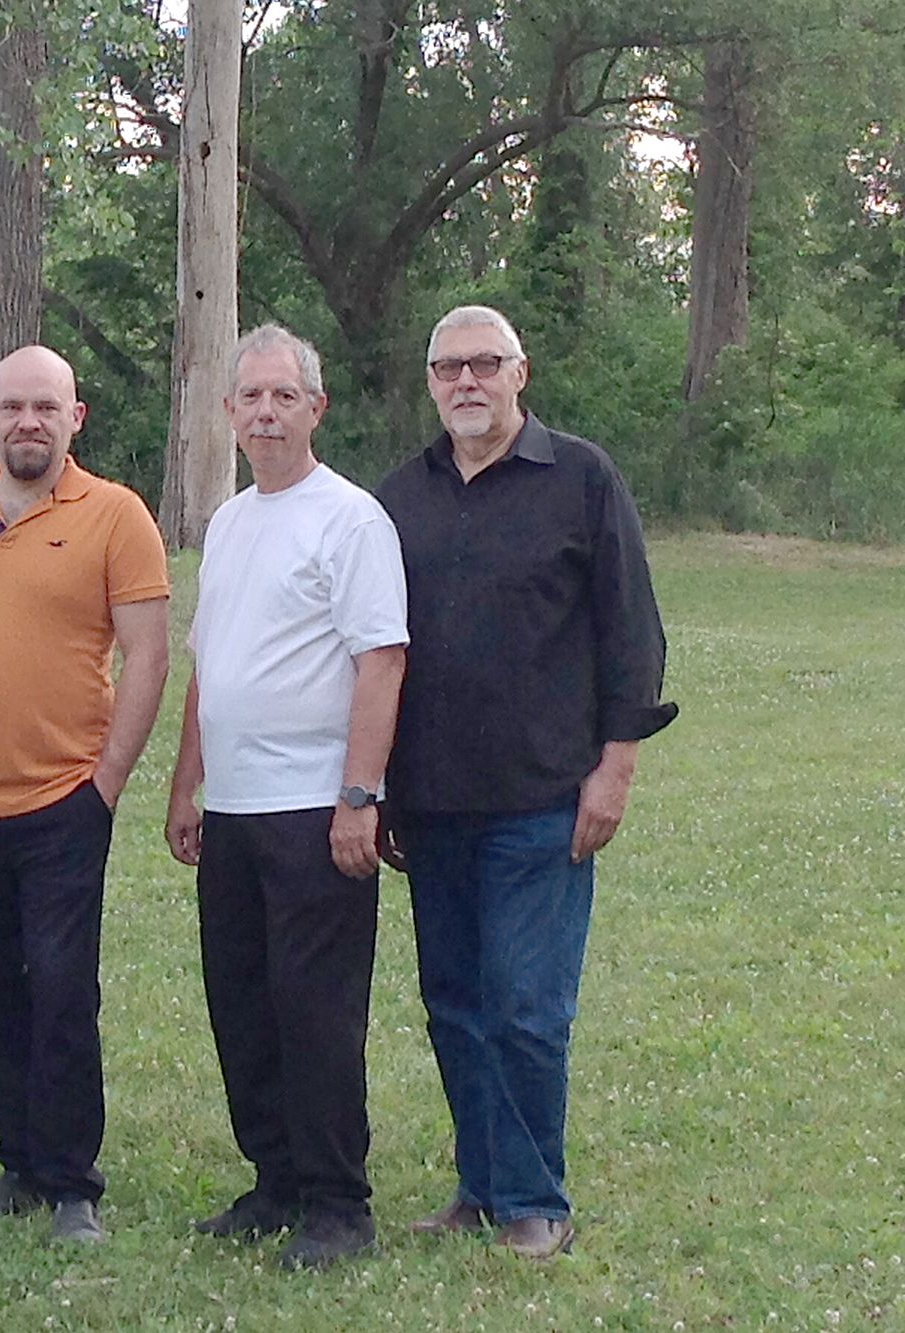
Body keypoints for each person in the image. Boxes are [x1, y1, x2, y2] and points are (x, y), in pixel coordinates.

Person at [375, 305, 677, 1260]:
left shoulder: (581, 479)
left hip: (544, 800)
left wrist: (615, 768)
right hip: (431, 802)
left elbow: (633, 633)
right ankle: (482, 1182)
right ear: (430, 382)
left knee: (526, 1004)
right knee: (454, 1001)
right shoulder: (398, 498)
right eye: (448, 367)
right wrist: (373, 783)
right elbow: (377, 654)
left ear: (520, 373)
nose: (466, 381)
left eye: (485, 364)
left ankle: (537, 1198)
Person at [0, 344, 170, 1245]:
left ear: (74, 418)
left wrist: (106, 783)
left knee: (60, 989)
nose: (29, 422)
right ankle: (17, 1159)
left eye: (47, 407)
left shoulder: (116, 515)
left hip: (62, 801)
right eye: (13, 407)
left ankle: (71, 1182)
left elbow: (149, 655)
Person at [163, 325, 408, 1270]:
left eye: (283, 396)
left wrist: (359, 795)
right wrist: (189, 779)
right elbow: (206, 664)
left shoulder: (350, 519)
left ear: (317, 406)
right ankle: (275, 1179)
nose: (264, 412)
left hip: (316, 808)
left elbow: (380, 660)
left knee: (316, 1009)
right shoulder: (227, 521)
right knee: (244, 1003)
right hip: (233, 810)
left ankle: (339, 1201)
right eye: (248, 397)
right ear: (227, 412)